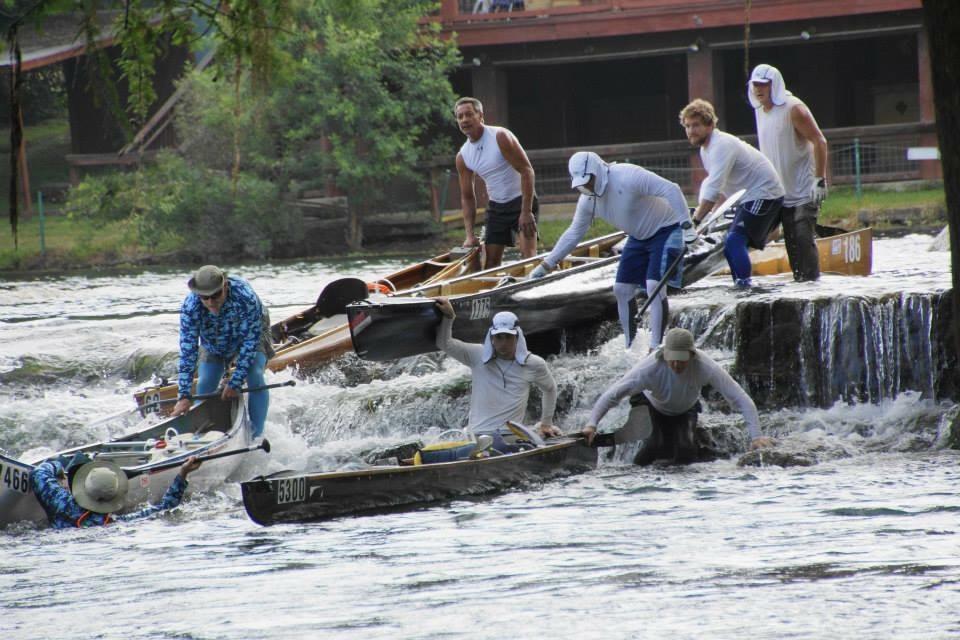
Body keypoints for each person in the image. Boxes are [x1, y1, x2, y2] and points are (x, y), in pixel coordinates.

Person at [529, 151, 693, 350]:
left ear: (597, 170)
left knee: (653, 285)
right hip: (638, 237)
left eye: (589, 180)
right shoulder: (587, 201)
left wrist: (687, 225)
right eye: (581, 183)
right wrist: (546, 265)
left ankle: (655, 347)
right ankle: (630, 345)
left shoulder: (627, 175)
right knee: (621, 289)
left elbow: (671, 189)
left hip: (668, 228)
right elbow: (574, 233)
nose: (587, 186)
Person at [582, 328, 773, 465]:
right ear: (664, 354)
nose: (675, 365)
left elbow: (739, 397)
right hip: (650, 404)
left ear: (692, 355)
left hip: (685, 408)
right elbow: (613, 394)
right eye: (671, 359)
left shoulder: (705, 366)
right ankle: (636, 482)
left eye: (681, 360)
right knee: (654, 446)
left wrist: (756, 436)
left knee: (686, 452)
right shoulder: (650, 368)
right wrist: (592, 424)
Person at [680, 98, 785, 288]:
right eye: (687, 126)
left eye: (696, 125)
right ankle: (739, 283)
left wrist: (695, 222)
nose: (690, 131)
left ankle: (745, 287)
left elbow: (713, 187)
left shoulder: (721, 145)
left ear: (710, 125)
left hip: (765, 193)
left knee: (735, 241)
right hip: (747, 198)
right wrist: (709, 217)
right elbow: (717, 185)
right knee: (729, 247)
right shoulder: (706, 149)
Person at [434, 297, 561, 452]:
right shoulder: (477, 355)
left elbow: (550, 388)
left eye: (508, 337)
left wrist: (546, 423)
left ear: (517, 337)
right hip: (476, 435)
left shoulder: (533, 363)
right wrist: (449, 317)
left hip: (509, 436)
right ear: (491, 337)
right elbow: (444, 343)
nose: (503, 342)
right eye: (499, 337)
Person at [171, 265, 274, 438]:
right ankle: (202, 435)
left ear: (225, 286)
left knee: (254, 374)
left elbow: (250, 342)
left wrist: (236, 381)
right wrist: (183, 395)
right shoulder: (190, 308)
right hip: (214, 338)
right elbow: (188, 352)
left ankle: (256, 435)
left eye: (215, 295)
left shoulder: (245, 298)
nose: (211, 302)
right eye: (205, 297)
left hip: (250, 332)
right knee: (204, 385)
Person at [749, 63, 829, 282]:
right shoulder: (759, 111)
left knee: (803, 237)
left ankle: (812, 285)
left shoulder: (794, 108)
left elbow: (819, 140)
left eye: (764, 85)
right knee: (790, 242)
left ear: (774, 85)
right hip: (779, 190)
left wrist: (820, 179)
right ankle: (799, 284)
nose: (759, 89)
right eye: (755, 85)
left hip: (804, 188)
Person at [454, 97, 538, 269]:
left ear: (480, 116)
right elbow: (467, 197)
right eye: (460, 116)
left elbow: (527, 171)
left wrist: (526, 211)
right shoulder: (463, 156)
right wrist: (470, 235)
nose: (464, 120)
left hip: (521, 201)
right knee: (490, 264)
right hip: (496, 208)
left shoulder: (500, 136)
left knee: (527, 258)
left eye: (469, 114)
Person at [31, 456, 202, 529]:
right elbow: (165, 506)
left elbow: (38, 473)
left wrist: (58, 467)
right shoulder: (114, 523)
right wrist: (183, 473)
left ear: (82, 487)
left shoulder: (61, 503)